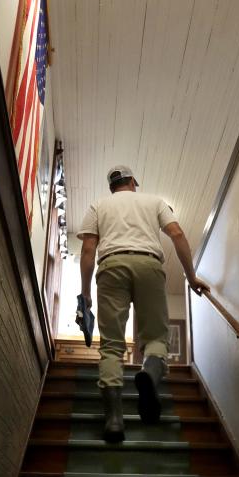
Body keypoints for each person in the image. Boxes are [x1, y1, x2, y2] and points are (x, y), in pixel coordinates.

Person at [77, 165, 210, 442]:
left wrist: (85, 292)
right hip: (149, 264)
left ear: (111, 186)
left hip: (111, 266)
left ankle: (114, 420)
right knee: (155, 337)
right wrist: (191, 277)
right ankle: (149, 373)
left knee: (112, 344)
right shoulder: (154, 201)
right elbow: (178, 234)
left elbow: (89, 249)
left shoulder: (98, 206)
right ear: (133, 182)